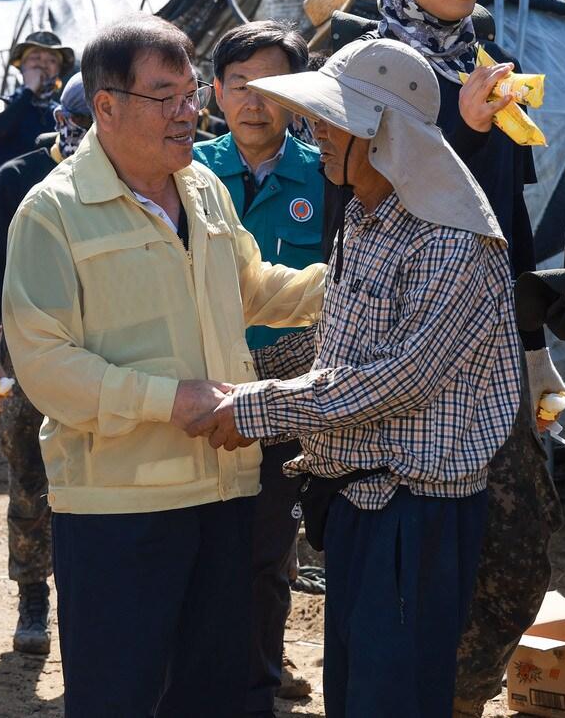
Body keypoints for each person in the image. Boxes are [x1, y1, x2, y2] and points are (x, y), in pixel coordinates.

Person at [0, 14, 326, 718]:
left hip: (225, 493)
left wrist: (349, 284)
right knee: (122, 697)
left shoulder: (203, 188)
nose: (189, 113)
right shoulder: (54, 213)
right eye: (165, 95)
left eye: (189, 94)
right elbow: (45, 363)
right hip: (121, 510)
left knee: (211, 695)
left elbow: (250, 286)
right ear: (107, 106)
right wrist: (166, 400)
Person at [197, 37, 520, 717]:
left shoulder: (449, 238)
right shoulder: (367, 216)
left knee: (391, 697)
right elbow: (337, 348)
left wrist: (255, 406)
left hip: (412, 513)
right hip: (357, 504)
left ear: (383, 134)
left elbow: (394, 378)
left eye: (331, 120)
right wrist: (241, 381)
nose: (317, 132)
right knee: (352, 693)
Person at [334, 0, 565, 714]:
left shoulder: (486, 69)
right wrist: (458, 134)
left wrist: (536, 351)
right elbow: (369, 215)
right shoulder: (362, 73)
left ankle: (460, 694)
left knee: (518, 556)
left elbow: (514, 221)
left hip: (489, 358)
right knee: (409, 564)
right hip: (402, 361)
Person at [192, 21, 322, 713]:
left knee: (269, 551)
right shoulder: (186, 171)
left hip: (284, 394)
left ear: (295, 97)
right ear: (215, 91)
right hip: (195, 388)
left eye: (270, 85)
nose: (252, 99)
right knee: (194, 546)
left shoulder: (325, 175)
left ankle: (257, 684)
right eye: (238, 83)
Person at [0, 75, 93, 656]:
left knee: (93, 482)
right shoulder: (19, 177)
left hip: (98, 351)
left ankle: (88, 599)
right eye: (78, 121)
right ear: (59, 118)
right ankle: (32, 598)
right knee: (29, 477)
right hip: (26, 353)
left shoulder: (123, 181)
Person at [0, 30, 75, 170]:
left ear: (59, 70)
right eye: (35, 57)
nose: (43, 64)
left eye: (51, 60)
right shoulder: (0, 104)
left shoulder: (61, 114)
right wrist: (29, 90)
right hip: (9, 190)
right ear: (22, 65)